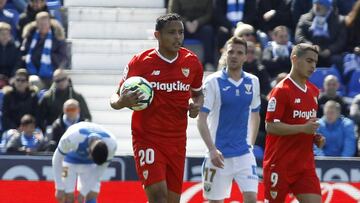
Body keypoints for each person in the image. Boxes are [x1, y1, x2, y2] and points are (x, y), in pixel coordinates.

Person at [110, 13, 203, 203]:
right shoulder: (141, 62)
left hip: (177, 140)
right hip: (148, 138)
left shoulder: (191, 62)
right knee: (159, 196)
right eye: (171, 32)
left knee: (171, 200)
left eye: (180, 32)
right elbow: (115, 96)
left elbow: (198, 93)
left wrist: (196, 105)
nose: (178, 37)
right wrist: (121, 102)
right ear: (157, 35)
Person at [197, 36, 260, 202]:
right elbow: (201, 118)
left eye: (239, 53)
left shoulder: (253, 81)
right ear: (225, 53)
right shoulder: (212, 81)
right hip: (218, 155)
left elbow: (255, 114)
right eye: (231, 51)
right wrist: (211, 149)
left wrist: (250, 144)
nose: (234, 56)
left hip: (244, 154)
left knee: (252, 199)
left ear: (245, 57)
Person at [263, 43, 326, 203]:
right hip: (279, 163)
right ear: (294, 59)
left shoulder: (314, 91)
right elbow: (270, 126)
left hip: (304, 166)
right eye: (309, 61)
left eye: (315, 62)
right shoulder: (281, 90)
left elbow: (303, 124)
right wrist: (303, 128)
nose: (313, 66)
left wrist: (314, 136)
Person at [52, 121, 117, 203]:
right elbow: (57, 158)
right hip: (70, 160)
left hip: (90, 165)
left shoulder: (112, 145)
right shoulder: (71, 138)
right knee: (67, 197)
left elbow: (98, 171)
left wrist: (83, 193)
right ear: (89, 152)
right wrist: (59, 187)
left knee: (92, 193)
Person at [21, 11, 67, 87]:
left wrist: (47, 55)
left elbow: (63, 58)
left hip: (51, 74)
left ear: (49, 23)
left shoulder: (58, 38)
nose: (43, 26)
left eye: (45, 24)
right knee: (33, 81)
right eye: (40, 24)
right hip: (31, 73)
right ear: (36, 24)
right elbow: (23, 53)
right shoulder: (29, 36)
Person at [295, 0, 346, 68]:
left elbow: (341, 41)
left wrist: (330, 50)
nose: (317, 6)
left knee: (338, 60)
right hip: (309, 52)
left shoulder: (339, 21)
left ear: (328, 7)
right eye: (315, 3)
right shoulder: (304, 19)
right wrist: (311, 47)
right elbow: (299, 36)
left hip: (330, 54)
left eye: (321, 4)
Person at [168, 0, 215, 70]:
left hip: (201, 26)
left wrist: (198, 22)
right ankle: (177, 60)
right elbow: (173, 13)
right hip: (182, 25)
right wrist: (185, 22)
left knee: (208, 30)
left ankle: (208, 62)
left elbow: (209, 13)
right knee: (176, 32)